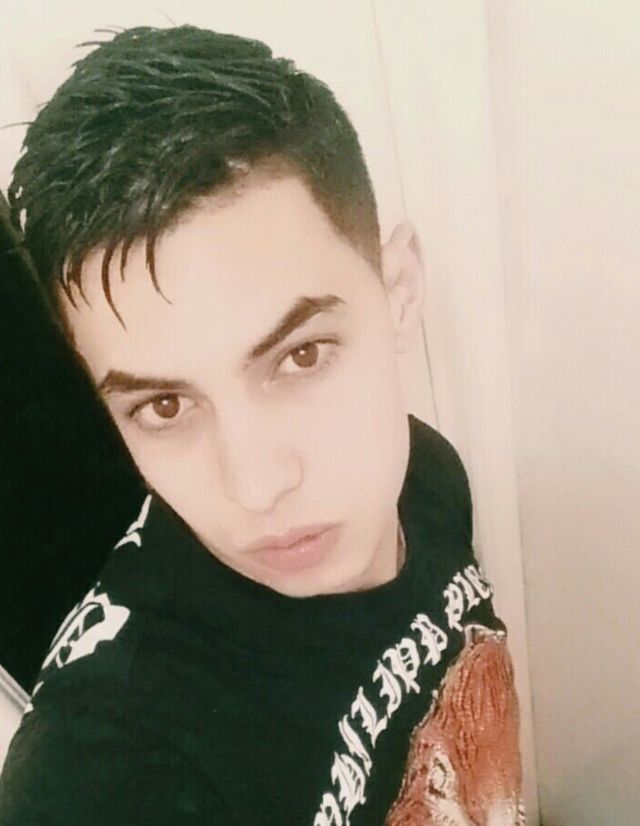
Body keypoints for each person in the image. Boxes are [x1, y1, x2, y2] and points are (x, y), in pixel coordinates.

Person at [0, 25, 525, 825]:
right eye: (164, 406)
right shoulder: (104, 770)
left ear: (398, 293)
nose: (256, 487)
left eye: (301, 356)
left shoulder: (428, 473)